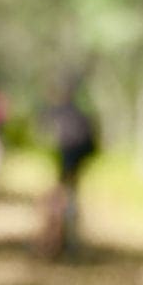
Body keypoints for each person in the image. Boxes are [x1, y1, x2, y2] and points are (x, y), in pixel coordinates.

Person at [41, 86, 98, 257]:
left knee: (63, 201)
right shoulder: (80, 115)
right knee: (69, 198)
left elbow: (46, 130)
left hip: (68, 163)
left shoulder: (62, 114)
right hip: (73, 164)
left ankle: (62, 241)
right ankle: (69, 240)